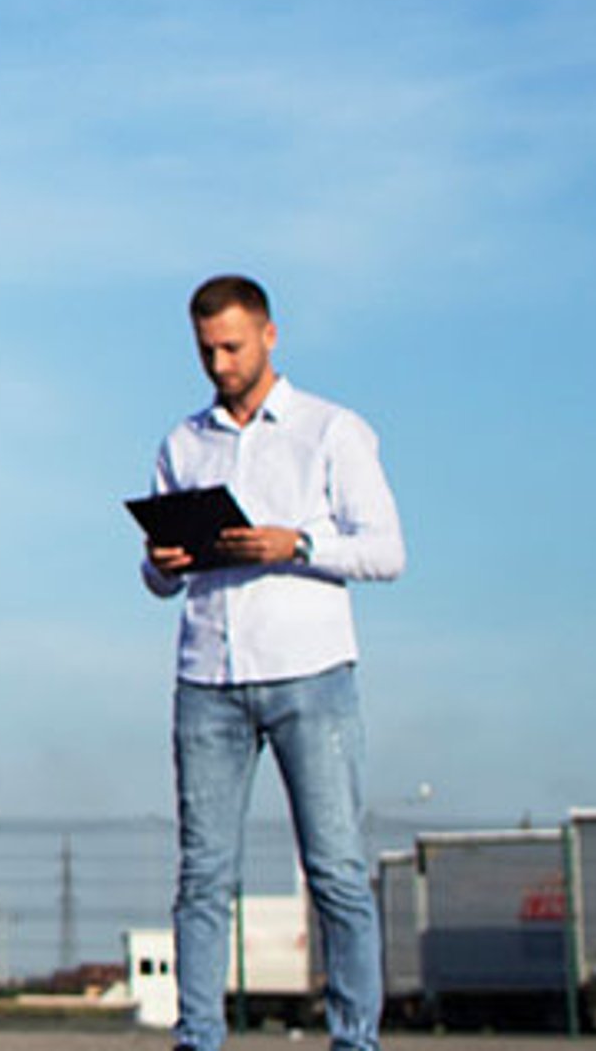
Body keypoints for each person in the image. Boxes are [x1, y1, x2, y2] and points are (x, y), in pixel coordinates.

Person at [141, 275, 406, 1051]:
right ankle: (198, 1037)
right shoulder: (181, 444)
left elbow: (389, 553)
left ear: (269, 336)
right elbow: (157, 582)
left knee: (336, 872)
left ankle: (355, 1040)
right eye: (205, 350)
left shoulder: (333, 431)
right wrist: (162, 561)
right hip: (207, 683)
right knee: (202, 879)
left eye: (231, 346)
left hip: (311, 676)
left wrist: (299, 545)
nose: (218, 364)